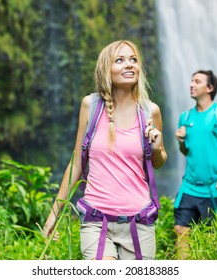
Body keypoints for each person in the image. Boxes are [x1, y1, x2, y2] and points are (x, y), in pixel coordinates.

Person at [43, 40, 167, 260]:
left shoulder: (150, 111)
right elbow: (77, 163)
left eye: (133, 60)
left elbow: (158, 161)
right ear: (106, 69)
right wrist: (55, 212)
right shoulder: (91, 106)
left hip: (138, 221)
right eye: (120, 60)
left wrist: (157, 148)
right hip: (96, 219)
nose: (129, 65)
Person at [174, 70, 217, 259]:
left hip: (216, 187)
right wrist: (180, 141)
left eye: (197, 81)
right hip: (190, 186)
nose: (191, 84)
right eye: (191, 81)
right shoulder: (185, 118)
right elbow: (186, 152)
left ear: (209, 88)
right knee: (180, 228)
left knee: (215, 236)